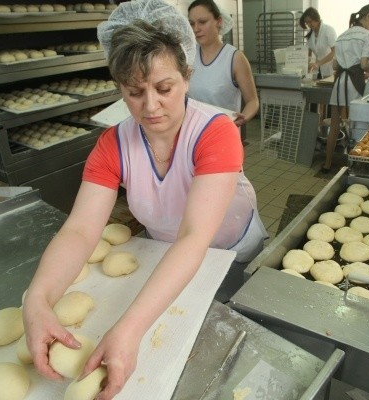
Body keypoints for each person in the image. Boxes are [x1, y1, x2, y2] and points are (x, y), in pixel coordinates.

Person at [22, 1, 267, 399]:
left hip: (234, 251)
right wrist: (37, 298)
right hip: (166, 260)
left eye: (164, 88)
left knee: (234, 339)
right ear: (119, 88)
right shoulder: (112, 145)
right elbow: (81, 230)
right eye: (134, 92)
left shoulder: (215, 132)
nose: (150, 106)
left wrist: (129, 328)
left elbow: (193, 236)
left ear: (187, 77)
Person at [322, 4, 369, 173]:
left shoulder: (341, 36)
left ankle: (327, 164)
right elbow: (363, 64)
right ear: (368, 16)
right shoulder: (368, 36)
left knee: (334, 124)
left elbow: (335, 64)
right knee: (357, 125)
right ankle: (355, 165)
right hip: (355, 83)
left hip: (340, 82)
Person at [187, 0, 258, 127]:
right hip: (195, 132)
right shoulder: (190, 56)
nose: (196, 29)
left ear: (218, 21)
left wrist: (241, 120)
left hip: (223, 131)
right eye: (192, 24)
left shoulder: (234, 58)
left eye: (202, 22)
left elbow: (253, 101)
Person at [300, 7, 337, 79]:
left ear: (316, 18)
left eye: (310, 22)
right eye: (307, 23)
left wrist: (318, 63)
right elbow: (309, 53)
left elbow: (334, 52)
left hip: (329, 70)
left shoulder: (328, 30)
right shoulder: (310, 33)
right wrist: (306, 64)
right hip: (317, 71)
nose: (309, 25)